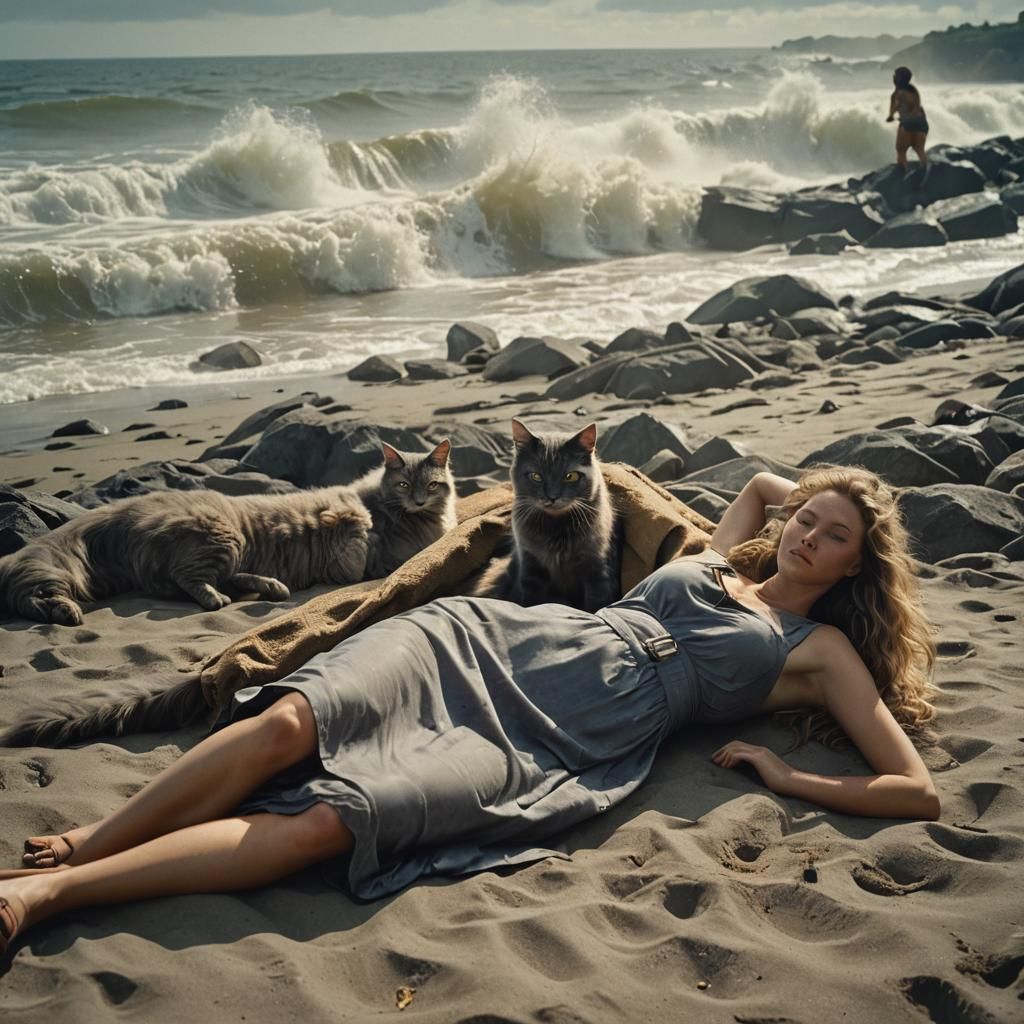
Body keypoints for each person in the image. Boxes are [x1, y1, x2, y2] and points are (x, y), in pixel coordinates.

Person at [0, 465, 941, 956]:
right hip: (499, 641)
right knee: (295, 720)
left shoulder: (818, 653)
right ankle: (95, 839)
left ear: (858, 563)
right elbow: (764, 490)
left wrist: (785, 775)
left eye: (837, 536)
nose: (810, 535)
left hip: (574, 737)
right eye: (809, 521)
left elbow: (915, 791)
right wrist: (822, 492)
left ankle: (50, 893)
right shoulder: (723, 557)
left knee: (341, 818)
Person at [886, 66, 929, 175]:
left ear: (899, 79)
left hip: (907, 124)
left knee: (901, 151)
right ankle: (925, 172)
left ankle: (905, 175)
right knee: (920, 150)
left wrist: (891, 116)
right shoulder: (914, 91)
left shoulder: (897, 94)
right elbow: (917, 106)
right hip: (921, 123)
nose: (893, 78)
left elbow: (894, 109)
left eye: (895, 76)